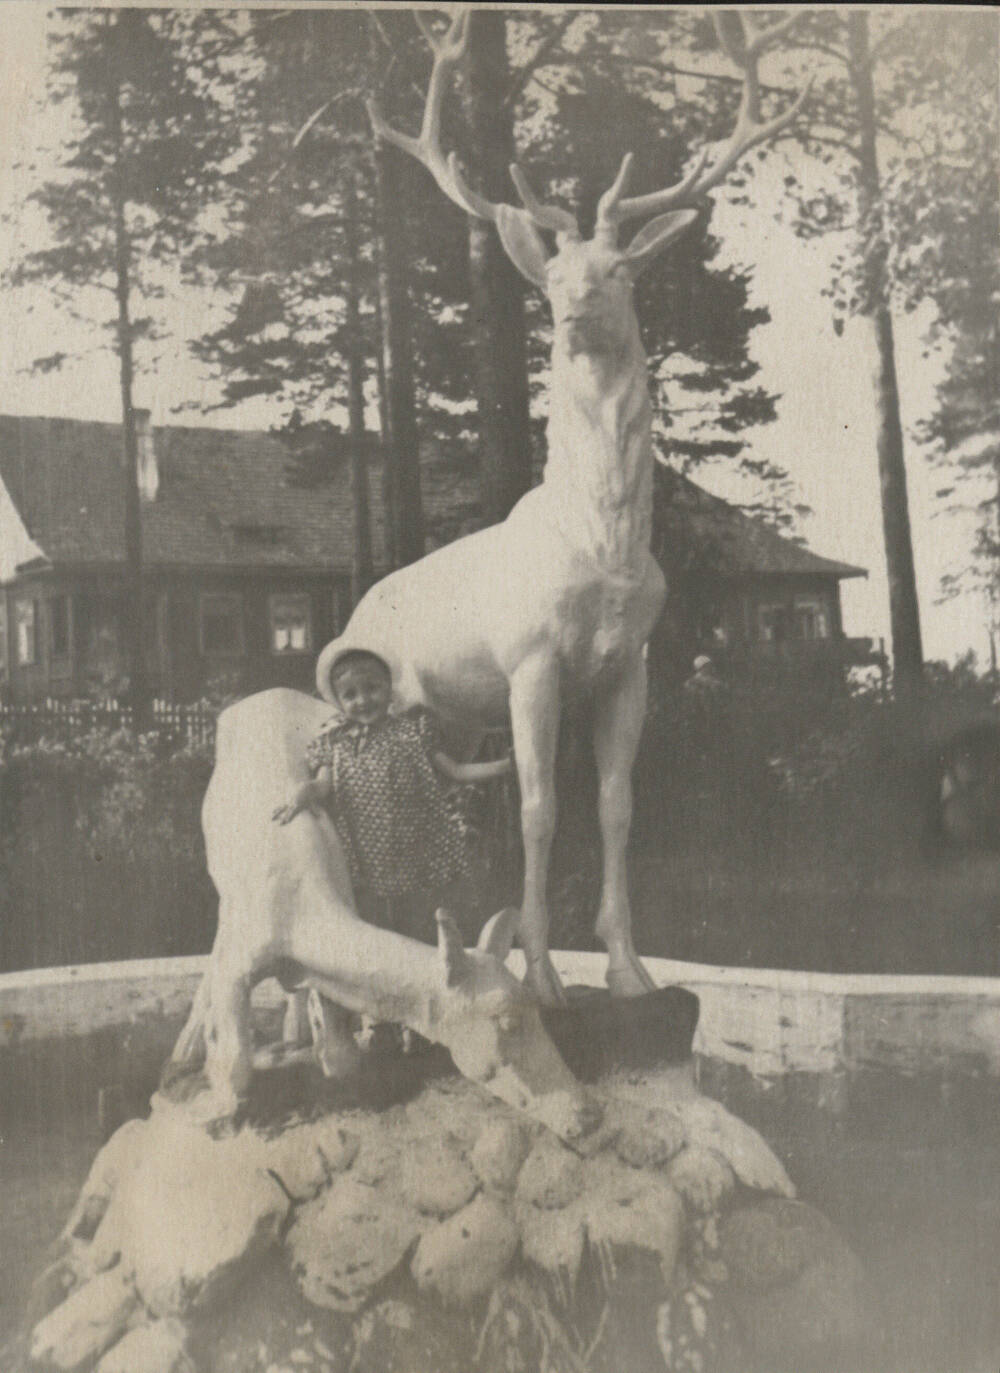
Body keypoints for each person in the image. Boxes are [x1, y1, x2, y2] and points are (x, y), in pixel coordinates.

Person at [272, 648, 512, 940]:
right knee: (373, 928)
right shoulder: (334, 741)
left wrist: (509, 766)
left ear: (389, 687)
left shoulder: (413, 730)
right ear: (338, 700)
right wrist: (302, 792)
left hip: (417, 851)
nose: (362, 700)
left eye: (372, 688)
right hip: (365, 853)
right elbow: (324, 785)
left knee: (419, 926)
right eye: (350, 694)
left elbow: (457, 770)